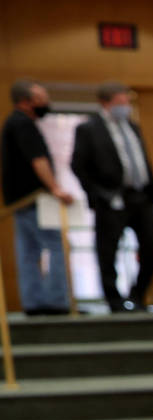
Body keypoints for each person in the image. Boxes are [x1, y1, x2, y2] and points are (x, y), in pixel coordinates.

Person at [71, 81, 153, 313]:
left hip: (141, 197)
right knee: (108, 251)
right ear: (105, 102)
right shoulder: (89, 129)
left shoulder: (132, 127)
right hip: (111, 199)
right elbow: (78, 166)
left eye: (127, 102)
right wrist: (99, 193)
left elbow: (141, 161)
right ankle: (114, 300)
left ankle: (137, 295)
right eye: (120, 102)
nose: (125, 106)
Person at [1, 78, 73, 315]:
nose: (46, 103)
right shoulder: (22, 125)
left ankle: (33, 302)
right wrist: (55, 188)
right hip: (33, 199)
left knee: (29, 252)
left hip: (20, 200)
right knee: (56, 245)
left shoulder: (13, 123)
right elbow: (38, 159)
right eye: (41, 99)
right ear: (25, 102)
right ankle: (57, 301)